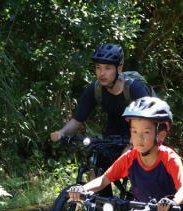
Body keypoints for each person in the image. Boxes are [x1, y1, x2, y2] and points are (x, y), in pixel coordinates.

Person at [50, 43, 149, 189]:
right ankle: (99, 207)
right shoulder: (95, 89)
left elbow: (149, 121)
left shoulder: (134, 88)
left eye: (107, 68)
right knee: (95, 161)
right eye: (98, 67)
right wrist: (62, 133)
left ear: (119, 69)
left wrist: (133, 143)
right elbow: (77, 119)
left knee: (138, 172)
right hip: (113, 138)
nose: (101, 73)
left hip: (140, 138)